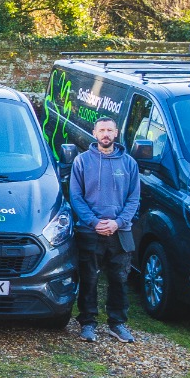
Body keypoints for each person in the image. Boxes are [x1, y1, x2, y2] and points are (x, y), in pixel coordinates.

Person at [70, 114, 139, 343]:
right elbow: (76, 197)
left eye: (110, 130)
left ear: (116, 133)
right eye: (102, 131)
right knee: (88, 278)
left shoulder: (129, 163)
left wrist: (116, 223)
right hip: (90, 231)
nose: (106, 135)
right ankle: (88, 323)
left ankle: (117, 324)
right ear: (95, 133)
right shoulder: (81, 161)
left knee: (119, 279)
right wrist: (94, 222)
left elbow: (133, 199)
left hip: (121, 232)